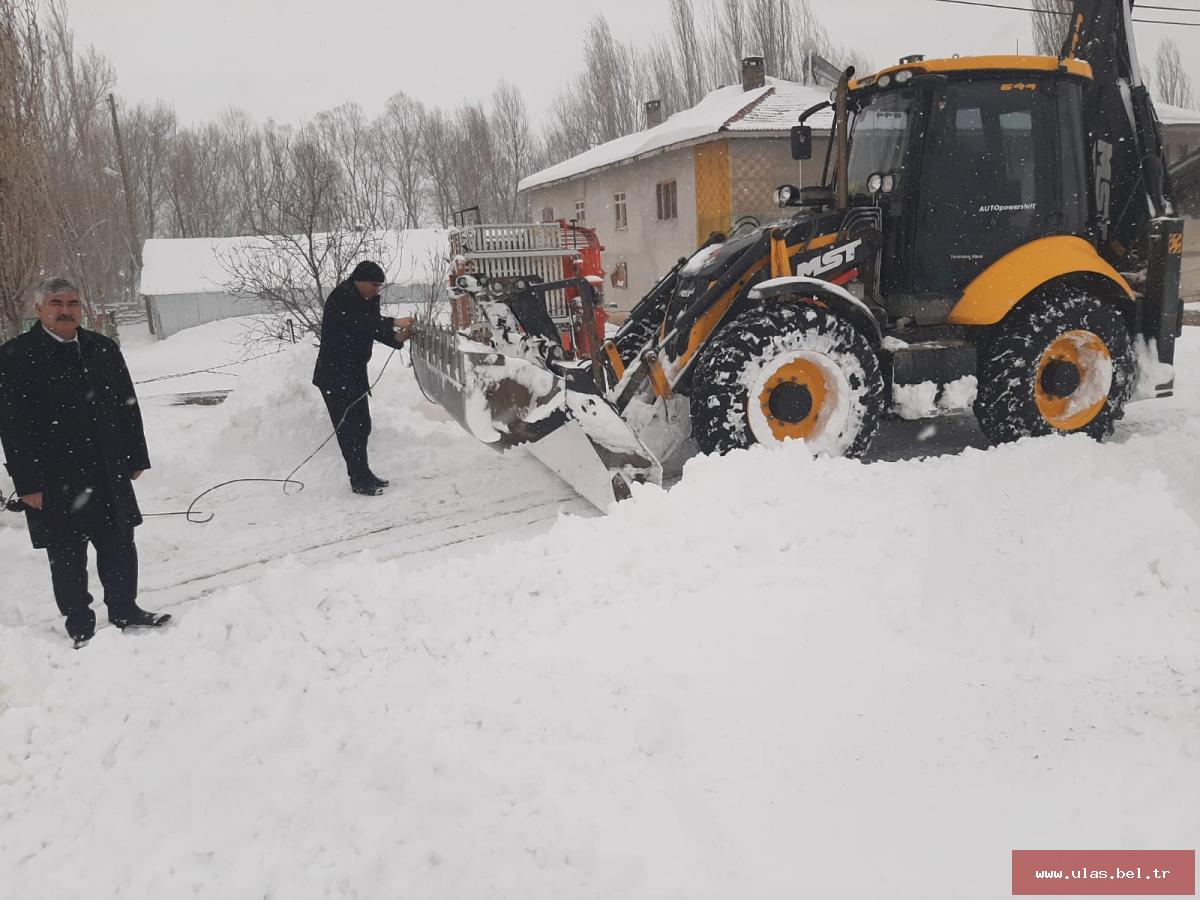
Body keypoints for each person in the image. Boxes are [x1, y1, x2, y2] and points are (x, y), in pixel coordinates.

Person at [0, 277, 167, 648]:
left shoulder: (102, 348)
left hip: (106, 469)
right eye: (56, 303)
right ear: (39, 309)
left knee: (120, 543)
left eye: (73, 303)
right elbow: (11, 427)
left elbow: (127, 405)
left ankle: (125, 608)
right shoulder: (16, 356)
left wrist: (135, 455)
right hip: (54, 476)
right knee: (67, 553)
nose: (65, 310)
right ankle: (79, 621)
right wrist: (27, 484)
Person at [312, 261, 415, 496]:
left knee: (362, 426)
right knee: (348, 430)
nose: (378, 289)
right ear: (360, 281)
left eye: (380, 286)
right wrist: (394, 322)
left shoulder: (366, 299)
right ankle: (357, 479)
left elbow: (372, 328)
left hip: (355, 373)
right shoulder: (342, 297)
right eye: (375, 285)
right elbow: (360, 322)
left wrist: (396, 338)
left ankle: (364, 472)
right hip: (335, 376)